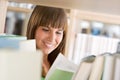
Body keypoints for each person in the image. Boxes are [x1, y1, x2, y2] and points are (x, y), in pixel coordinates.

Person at [26, 5, 68, 77]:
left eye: (58, 32)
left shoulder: (60, 66)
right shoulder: (23, 61)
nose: (52, 38)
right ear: (33, 29)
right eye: (46, 30)